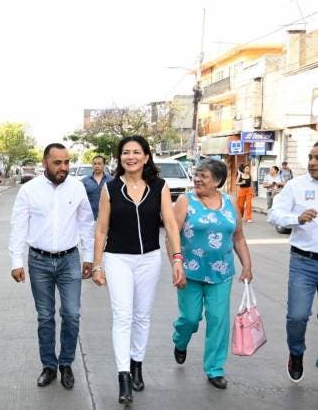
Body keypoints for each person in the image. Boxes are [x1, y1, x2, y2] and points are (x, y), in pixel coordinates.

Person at [91, 135, 185, 405]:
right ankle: (123, 376)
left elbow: (170, 224)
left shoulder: (160, 187)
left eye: (136, 152)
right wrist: (97, 264)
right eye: (125, 152)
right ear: (120, 158)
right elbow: (101, 229)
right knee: (123, 317)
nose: (130, 157)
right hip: (118, 259)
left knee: (142, 316)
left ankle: (137, 365)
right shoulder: (110, 188)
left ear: (146, 157)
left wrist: (177, 259)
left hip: (149, 259)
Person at [9, 143, 94, 390]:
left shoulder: (77, 188)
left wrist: (89, 257)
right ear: (45, 163)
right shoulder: (29, 190)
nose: (63, 167)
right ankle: (49, 366)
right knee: (45, 316)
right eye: (58, 163)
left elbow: (86, 224)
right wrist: (16, 261)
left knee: (71, 314)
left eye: (66, 162)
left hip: (70, 260)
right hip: (39, 261)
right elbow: (18, 226)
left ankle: (66, 363)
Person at [170, 158, 253, 390]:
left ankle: (215, 368)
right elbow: (172, 235)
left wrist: (247, 265)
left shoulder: (230, 202)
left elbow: (238, 237)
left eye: (203, 176)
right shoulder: (186, 201)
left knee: (218, 320)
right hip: (190, 273)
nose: (197, 179)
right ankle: (180, 340)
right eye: (196, 174)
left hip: (221, 273)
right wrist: (176, 264)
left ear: (217, 181)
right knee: (190, 318)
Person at [267, 141, 318, 384]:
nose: (312, 162)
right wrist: (297, 218)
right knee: (297, 316)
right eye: (310, 157)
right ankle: (296, 353)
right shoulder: (295, 186)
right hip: (303, 261)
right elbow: (274, 214)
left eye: (317, 158)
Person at [82, 155, 115, 220]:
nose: (97, 166)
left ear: (104, 165)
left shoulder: (112, 180)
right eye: (95, 164)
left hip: (108, 218)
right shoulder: (85, 181)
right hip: (90, 218)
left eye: (99, 164)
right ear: (92, 165)